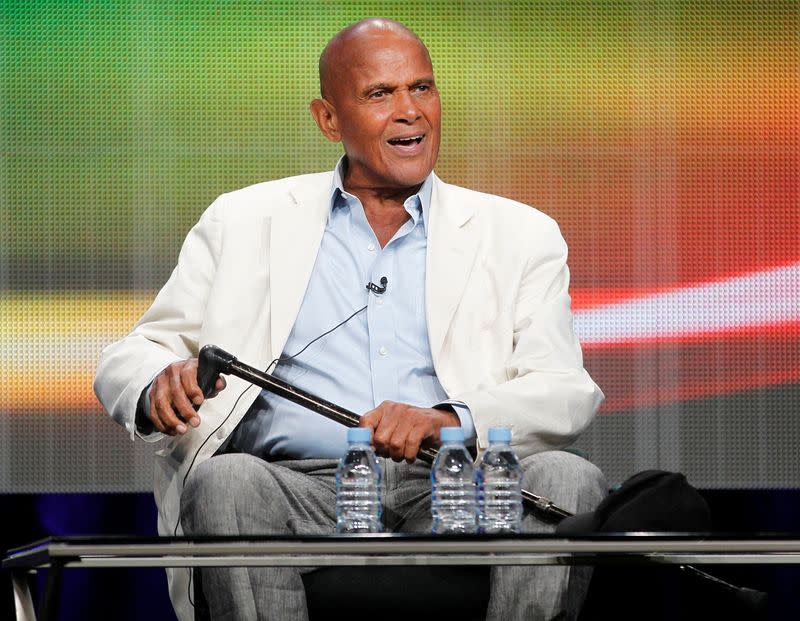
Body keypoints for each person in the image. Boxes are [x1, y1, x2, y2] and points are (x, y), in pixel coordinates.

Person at [94, 17, 606, 621]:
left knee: (567, 479)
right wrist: (158, 382)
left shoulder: (519, 233)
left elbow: (565, 392)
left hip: (453, 483)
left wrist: (448, 420)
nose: (411, 111)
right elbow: (136, 351)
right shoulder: (243, 219)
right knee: (226, 480)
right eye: (380, 94)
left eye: (422, 87)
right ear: (328, 119)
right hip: (295, 486)